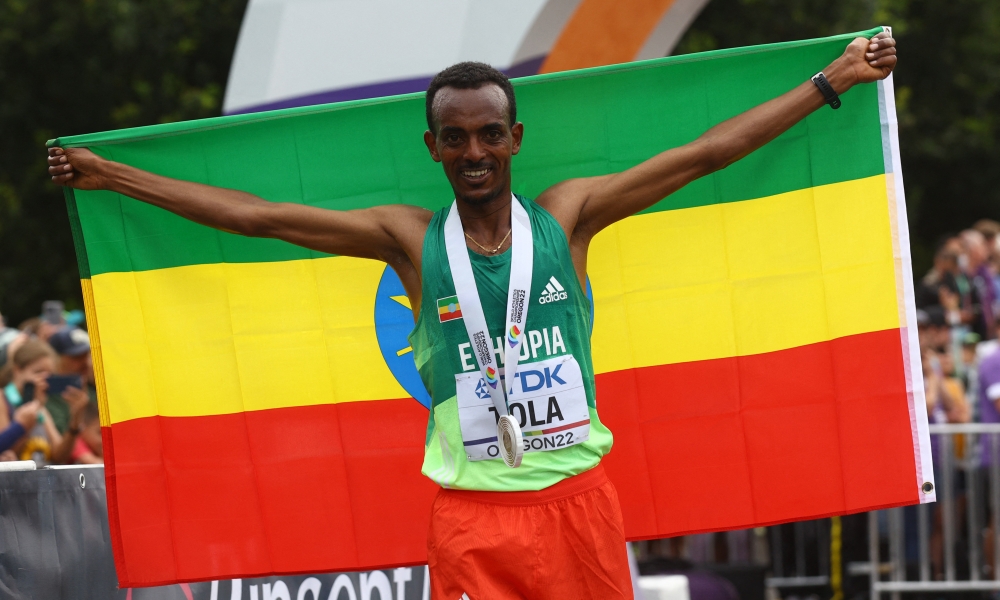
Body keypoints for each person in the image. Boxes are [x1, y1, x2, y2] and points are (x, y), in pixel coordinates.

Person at [47, 31, 897, 598]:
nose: (474, 151)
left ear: (515, 138)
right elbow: (258, 218)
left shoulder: (568, 216)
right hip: (472, 516)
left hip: (579, 504)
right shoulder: (408, 241)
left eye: (490, 133)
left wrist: (833, 81)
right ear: (433, 148)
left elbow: (708, 154)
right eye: (454, 137)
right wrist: (112, 176)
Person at [0, 338, 61, 462]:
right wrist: (25, 425)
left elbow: (59, 456)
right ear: (17, 370)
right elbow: (5, 450)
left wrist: (75, 421)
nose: (44, 380)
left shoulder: (40, 404)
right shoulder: (3, 399)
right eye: (38, 372)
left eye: (49, 375)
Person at [45, 327, 96, 435]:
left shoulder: (93, 388)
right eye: (77, 357)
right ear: (56, 359)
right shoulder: (47, 395)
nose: (86, 362)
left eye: (86, 355)